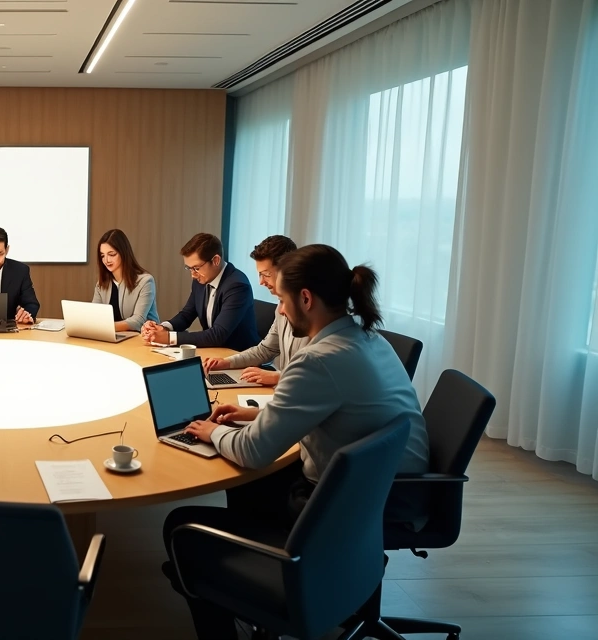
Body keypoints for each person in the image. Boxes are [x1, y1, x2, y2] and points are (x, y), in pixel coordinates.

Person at [160, 244, 429, 640]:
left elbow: (253, 452)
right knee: (256, 486)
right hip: (380, 488)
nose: (280, 311)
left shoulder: (317, 360)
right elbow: (331, 409)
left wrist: (211, 431)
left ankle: (251, 582)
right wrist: (253, 415)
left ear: (306, 298)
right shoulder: (369, 339)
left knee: (183, 523)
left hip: (352, 503)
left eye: (283, 300)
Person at [202, 235, 309, 386]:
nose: (261, 282)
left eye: (266, 274)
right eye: (259, 275)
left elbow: (318, 374)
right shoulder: (281, 309)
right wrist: (226, 362)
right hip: (285, 394)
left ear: (287, 270)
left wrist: (277, 377)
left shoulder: (315, 316)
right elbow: (265, 350)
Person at [140, 233, 259, 351]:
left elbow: (218, 335)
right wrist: (162, 328)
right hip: (213, 352)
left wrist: (169, 338)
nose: (193, 275)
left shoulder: (237, 285)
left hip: (238, 356)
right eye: (189, 268)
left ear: (216, 260)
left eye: (196, 268)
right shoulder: (200, 280)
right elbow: (186, 315)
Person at [91, 229, 159, 332]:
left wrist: (106, 327)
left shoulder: (145, 281)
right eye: (102, 256)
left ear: (123, 253)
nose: (106, 260)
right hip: (114, 337)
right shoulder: (101, 284)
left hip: (142, 338)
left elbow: (138, 321)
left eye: (112, 254)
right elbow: (94, 316)